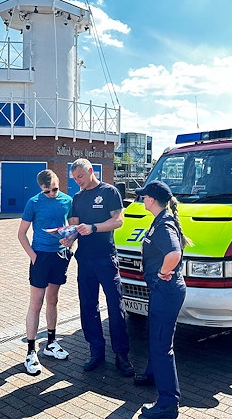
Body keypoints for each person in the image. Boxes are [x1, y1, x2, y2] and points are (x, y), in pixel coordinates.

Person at [64, 158, 134, 377]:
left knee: (115, 306)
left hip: (106, 258)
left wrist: (93, 227)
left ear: (91, 171)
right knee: (88, 306)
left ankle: (121, 355)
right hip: (84, 259)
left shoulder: (109, 192)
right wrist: (69, 236)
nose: (78, 182)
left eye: (81, 177)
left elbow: (118, 221)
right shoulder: (77, 197)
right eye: (75, 179)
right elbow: (74, 225)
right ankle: (96, 352)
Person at [132, 180, 189, 419]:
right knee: (155, 335)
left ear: (152, 200)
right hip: (164, 292)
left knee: (161, 344)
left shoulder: (164, 224)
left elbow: (174, 253)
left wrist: (163, 273)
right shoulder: (162, 219)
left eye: (144, 196)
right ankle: (151, 374)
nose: (142, 199)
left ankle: (168, 403)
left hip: (166, 291)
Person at [17, 169, 74, 376]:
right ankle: (31, 352)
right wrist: (33, 256)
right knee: (36, 303)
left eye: (54, 189)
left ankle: (51, 343)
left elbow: (73, 227)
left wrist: (70, 240)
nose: (51, 193)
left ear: (59, 182)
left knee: (53, 300)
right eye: (47, 191)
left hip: (59, 257)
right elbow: (21, 234)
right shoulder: (33, 202)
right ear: (41, 188)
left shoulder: (67, 200)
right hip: (40, 256)